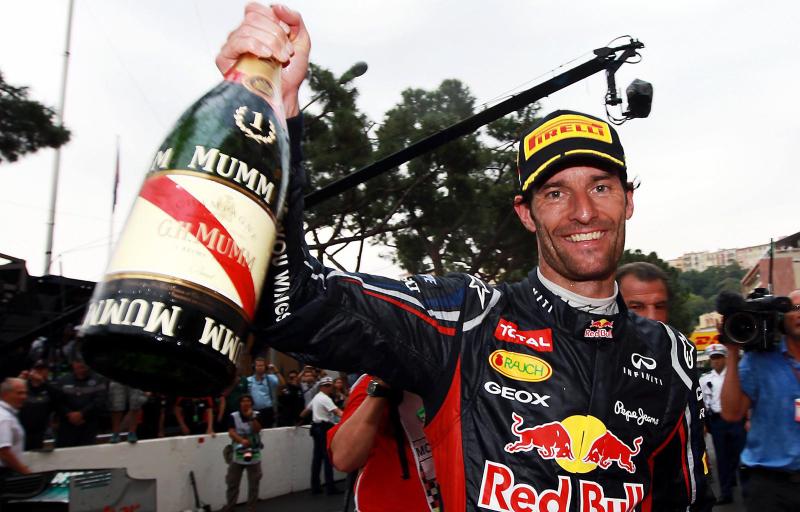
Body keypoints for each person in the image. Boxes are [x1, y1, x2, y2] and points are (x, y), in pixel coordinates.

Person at [218, 5, 712, 510]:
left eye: (601, 187)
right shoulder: (464, 315)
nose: (584, 212)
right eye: (556, 194)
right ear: (526, 213)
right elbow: (292, 303)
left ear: (628, 200)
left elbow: (686, 501)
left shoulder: (671, 356)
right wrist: (271, 119)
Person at [721, 289, 800, 511]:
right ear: (782, 316)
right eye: (794, 308)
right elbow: (731, 413)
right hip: (770, 486)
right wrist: (733, 352)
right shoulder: (757, 361)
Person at [328, 375, 442, 511]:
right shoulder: (371, 381)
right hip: (387, 503)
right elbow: (344, 458)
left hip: (445, 497)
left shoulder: (452, 375)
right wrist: (382, 384)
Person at [699, 344, 745, 504]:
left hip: (736, 420)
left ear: (725, 358)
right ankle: (726, 493)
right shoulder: (705, 380)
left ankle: (744, 488)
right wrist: (703, 423)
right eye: (713, 358)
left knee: (740, 456)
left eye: (718, 357)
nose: (716, 361)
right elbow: (702, 403)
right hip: (717, 421)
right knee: (722, 457)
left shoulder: (734, 376)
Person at [222, 394, 263, 512]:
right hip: (238, 451)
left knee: (254, 482)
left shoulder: (257, 415)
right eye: (243, 401)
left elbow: (257, 429)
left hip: (253, 452)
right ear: (240, 403)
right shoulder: (233, 416)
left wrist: (251, 417)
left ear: (252, 403)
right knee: (232, 481)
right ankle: (230, 506)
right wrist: (241, 440)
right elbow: (231, 431)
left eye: (248, 401)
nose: (246, 403)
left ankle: (252, 508)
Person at [54, 359, 106, 447]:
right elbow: (57, 401)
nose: (82, 364)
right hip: (67, 426)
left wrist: (82, 414)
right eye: (78, 361)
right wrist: (69, 414)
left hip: (88, 425)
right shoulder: (63, 380)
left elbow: (100, 401)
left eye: (84, 361)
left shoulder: (99, 379)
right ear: (73, 364)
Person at [304, 376, 342, 495]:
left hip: (315, 428)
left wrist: (298, 420)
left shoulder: (316, 397)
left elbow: (306, 410)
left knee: (317, 458)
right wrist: (351, 417)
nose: (330, 388)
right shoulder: (325, 398)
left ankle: (315, 486)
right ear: (324, 387)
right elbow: (337, 412)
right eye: (329, 386)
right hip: (324, 428)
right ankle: (330, 488)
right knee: (327, 458)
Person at [19, 360, 56, 450]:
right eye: (37, 369)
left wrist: (43, 382)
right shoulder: (22, 385)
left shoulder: (51, 386)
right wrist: (18, 380)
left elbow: (59, 398)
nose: (39, 372)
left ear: (47, 371)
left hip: (42, 430)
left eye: (43, 369)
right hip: (22, 428)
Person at [0, 378, 30, 478]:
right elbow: (3, 452)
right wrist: (26, 472)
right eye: (19, 393)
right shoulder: (4, 417)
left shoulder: (7, 414)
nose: (24, 397)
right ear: (5, 394)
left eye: (25, 393)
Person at [246, 357, 282, 428]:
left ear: (265, 367)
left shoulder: (270, 378)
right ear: (254, 367)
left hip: (267, 411)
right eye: (258, 365)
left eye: (262, 365)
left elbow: (282, 384)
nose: (260, 367)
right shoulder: (249, 380)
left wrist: (276, 371)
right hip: (254, 410)